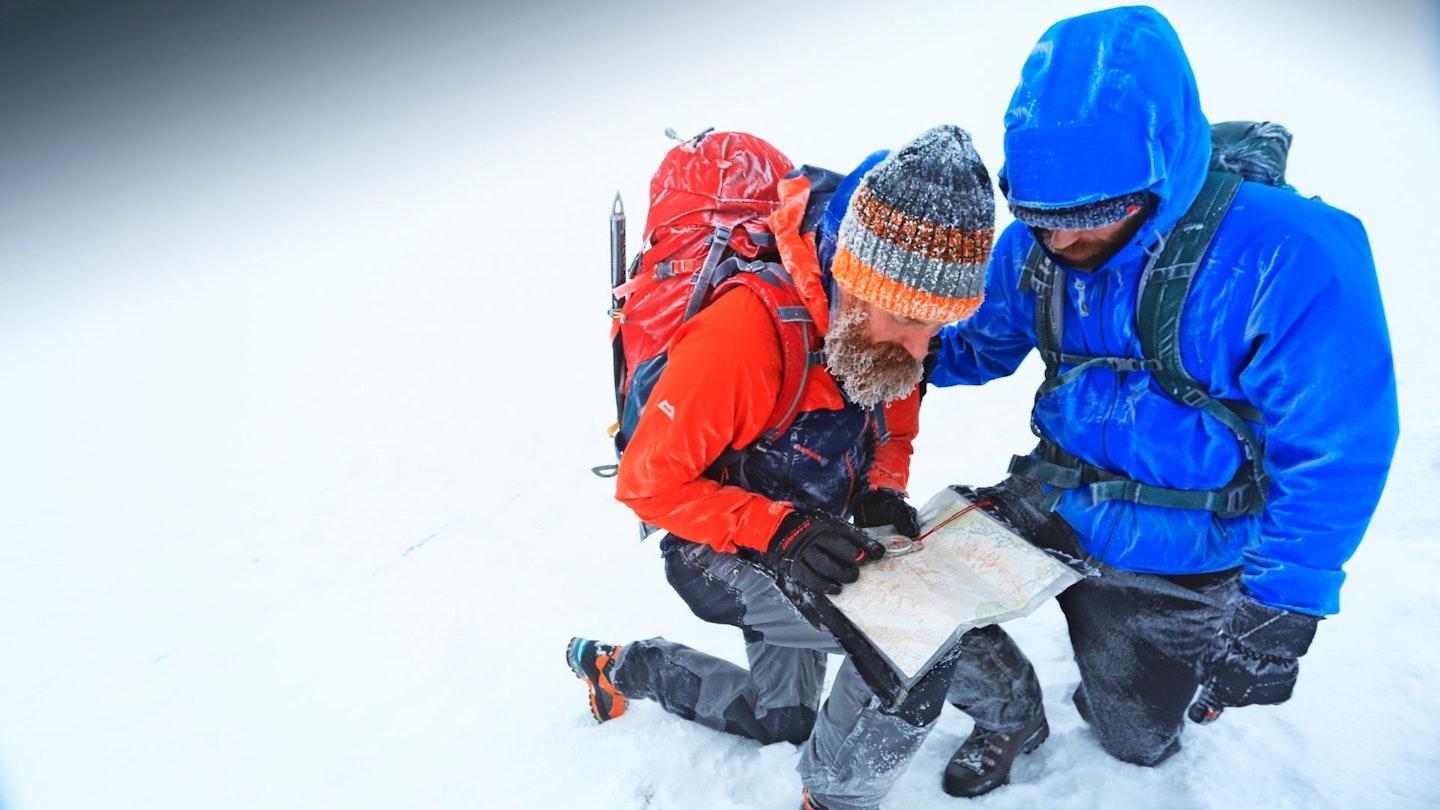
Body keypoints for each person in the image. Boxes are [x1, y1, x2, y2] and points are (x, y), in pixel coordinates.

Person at [924, 5, 1400, 797]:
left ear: (1165, 169)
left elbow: (1335, 445)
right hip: (1053, 495)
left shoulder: (1290, 253)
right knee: (893, 598)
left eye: (1092, 218)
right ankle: (1009, 713)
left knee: (1135, 740)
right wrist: (886, 347)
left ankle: (1124, 679)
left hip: (1184, 546)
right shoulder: (1033, 247)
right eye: (1042, 221)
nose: (1063, 244)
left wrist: (1284, 602)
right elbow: (975, 345)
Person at [568, 124, 996, 810]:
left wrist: (884, 488)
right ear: (855, 281)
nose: (923, 350)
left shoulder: (885, 335)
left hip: (811, 535)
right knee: (904, 641)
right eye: (910, 321)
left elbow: (894, 410)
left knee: (784, 723)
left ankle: (621, 667)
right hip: (721, 548)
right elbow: (647, 484)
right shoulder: (744, 334)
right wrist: (782, 534)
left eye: (939, 326)